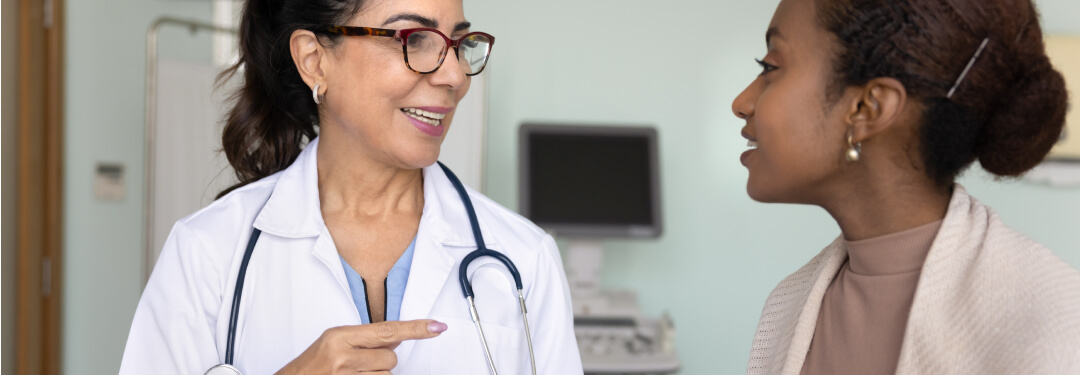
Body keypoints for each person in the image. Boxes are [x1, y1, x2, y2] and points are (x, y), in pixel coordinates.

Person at [119, 0, 582, 373]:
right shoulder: (208, 252)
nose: (455, 76)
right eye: (413, 39)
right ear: (314, 60)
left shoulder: (522, 258)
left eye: (458, 43)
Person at [731, 0, 1080, 373]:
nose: (742, 102)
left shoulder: (1053, 327)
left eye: (770, 68)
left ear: (868, 109)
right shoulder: (789, 307)